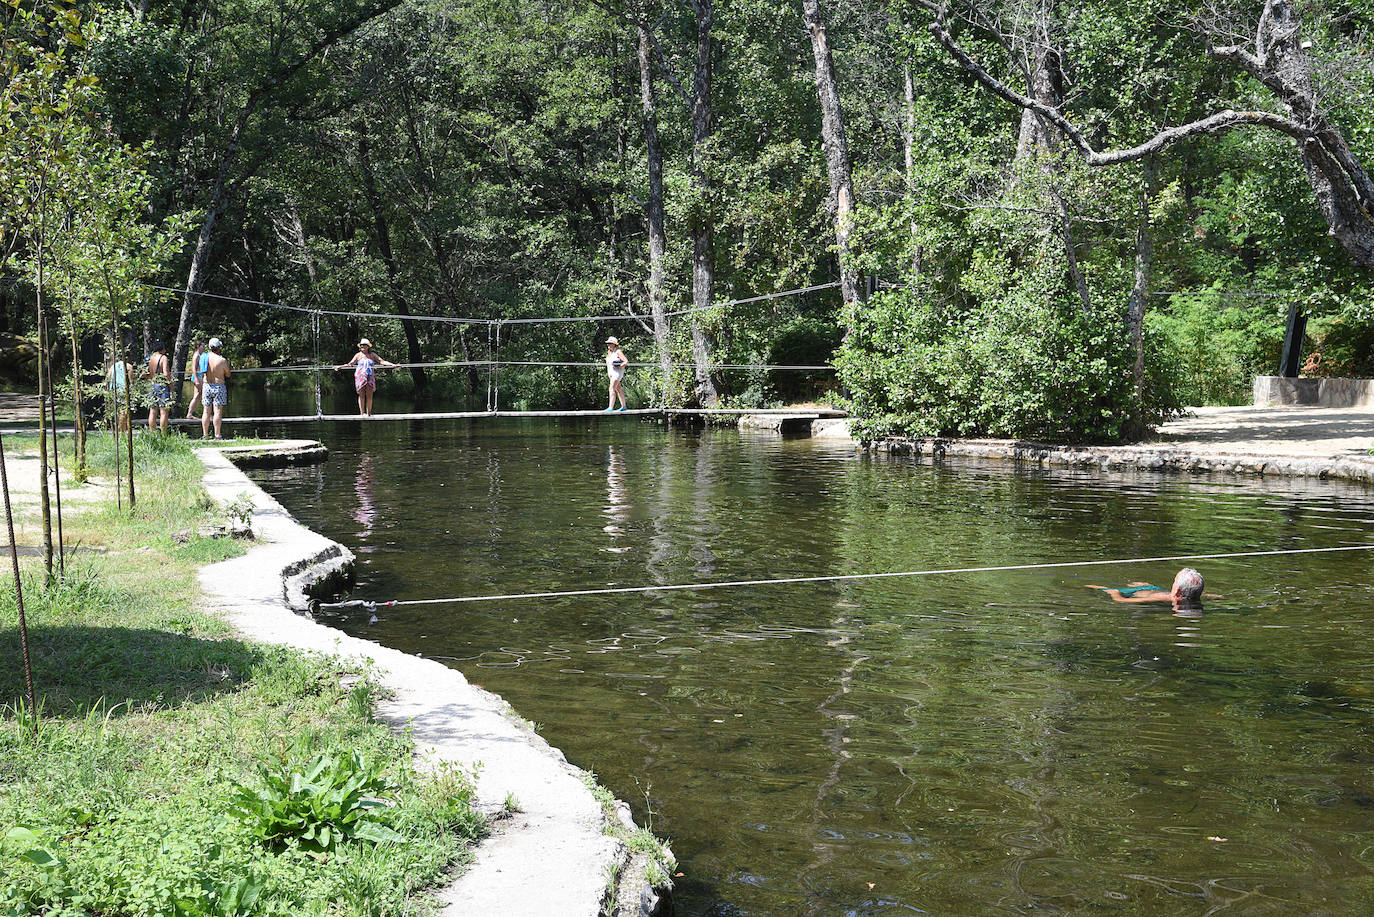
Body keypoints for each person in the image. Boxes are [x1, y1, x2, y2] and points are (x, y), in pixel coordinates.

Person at [1086, 567, 1216, 610]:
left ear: (1177, 591)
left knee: (1093, 586)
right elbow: (1204, 595)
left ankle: (1082, 586)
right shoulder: (1193, 597)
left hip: (1141, 593)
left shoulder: (1159, 598)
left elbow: (1123, 601)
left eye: (1174, 581)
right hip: (1154, 588)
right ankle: (1146, 585)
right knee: (1140, 584)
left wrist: (1115, 593)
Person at [337, 338, 396, 417]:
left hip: (370, 376)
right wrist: (340, 367)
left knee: (369, 395)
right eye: (361, 345)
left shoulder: (372, 355)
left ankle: (369, 413)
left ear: (368, 346)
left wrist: (393, 365)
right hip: (360, 376)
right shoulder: (358, 355)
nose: (362, 346)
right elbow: (350, 364)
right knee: (361, 394)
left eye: (364, 345)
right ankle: (362, 413)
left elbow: (382, 361)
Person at [201, 337, 231, 440]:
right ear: (219, 347)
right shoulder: (222, 360)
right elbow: (228, 374)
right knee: (217, 411)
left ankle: (205, 435)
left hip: (206, 385)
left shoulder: (204, 358)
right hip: (219, 386)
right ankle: (217, 435)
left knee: (206, 411)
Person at [144, 341, 172, 434]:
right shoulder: (163, 358)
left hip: (152, 385)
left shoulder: (150, 358)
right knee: (164, 411)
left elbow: (144, 373)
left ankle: (152, 433)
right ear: (162, 349)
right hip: (162, 385)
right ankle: (164, 434)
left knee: (152, 411)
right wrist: (171, 386)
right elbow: (166, 373)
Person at [105, 355, 133, 432]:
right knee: (123, 412)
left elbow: (108, 378)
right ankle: (121, 431)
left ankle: (120, 430)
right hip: (123, 390)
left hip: (114, 390)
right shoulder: (128, 366)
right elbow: (130, 381)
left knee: (118, 412)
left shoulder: (112, 366)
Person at [604, 336, 628, 411]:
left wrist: (620, 366)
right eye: (608, 343)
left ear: (614, 344)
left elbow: (626, 361)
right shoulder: (609, 352)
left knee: (611, 388)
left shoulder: (618, 351)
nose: (608, 345)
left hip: (616, 373)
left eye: (610, 343)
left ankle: (610, 407)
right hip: (611, 373)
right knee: (618, 389)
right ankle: (624, 407)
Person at [186, 340, 208, 419]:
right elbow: (193, 368)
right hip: (197, 376)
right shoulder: (196, 355)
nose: (204, 348)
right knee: (203, 395)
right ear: (198, 347)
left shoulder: (201, 355)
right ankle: (207, 414)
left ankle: (190, 414)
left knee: (198, 395)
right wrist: (196, 379)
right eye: (203, 346)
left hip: (200, 376)